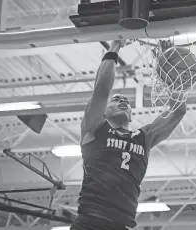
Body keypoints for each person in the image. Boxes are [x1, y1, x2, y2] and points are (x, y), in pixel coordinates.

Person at [70, 40, 187, 230]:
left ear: (131, 114)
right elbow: (101, 90)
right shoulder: (94, 129)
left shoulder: (145, 137)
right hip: (90, 221)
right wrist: (115, 45)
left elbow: (178, 111)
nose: (122, 101)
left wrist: (168, 70)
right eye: (116, 100)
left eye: (126, 101)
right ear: (104, 112)